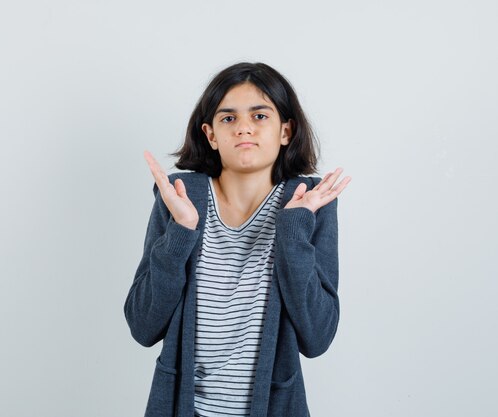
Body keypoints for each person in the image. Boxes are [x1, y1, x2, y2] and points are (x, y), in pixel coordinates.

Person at [124, 62, 351, 417]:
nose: (244, 127)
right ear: (211, 135)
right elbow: (143, 326)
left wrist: (293, 230)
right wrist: (181, 232)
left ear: (285, 131)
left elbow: (317, 337)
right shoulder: (181, 196)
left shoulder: (309, 201)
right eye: (228, 118)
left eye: (260, 116)